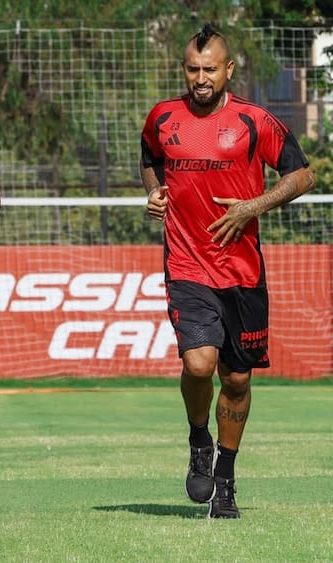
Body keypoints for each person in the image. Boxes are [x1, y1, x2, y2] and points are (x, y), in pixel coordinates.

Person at [140, 23, 315, 518]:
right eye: (193, 69)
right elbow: (150, 157)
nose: (200, 78)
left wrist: (252, 207)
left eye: (209, 69)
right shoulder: (163, 117)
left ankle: (226, 478)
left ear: (228, 70)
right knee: (198, 363)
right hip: (187, 264)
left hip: (243, 272)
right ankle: (199, 440)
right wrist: (153, 192)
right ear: (184, 69)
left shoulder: (255, 121)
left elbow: (303, 173)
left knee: (237, 380)